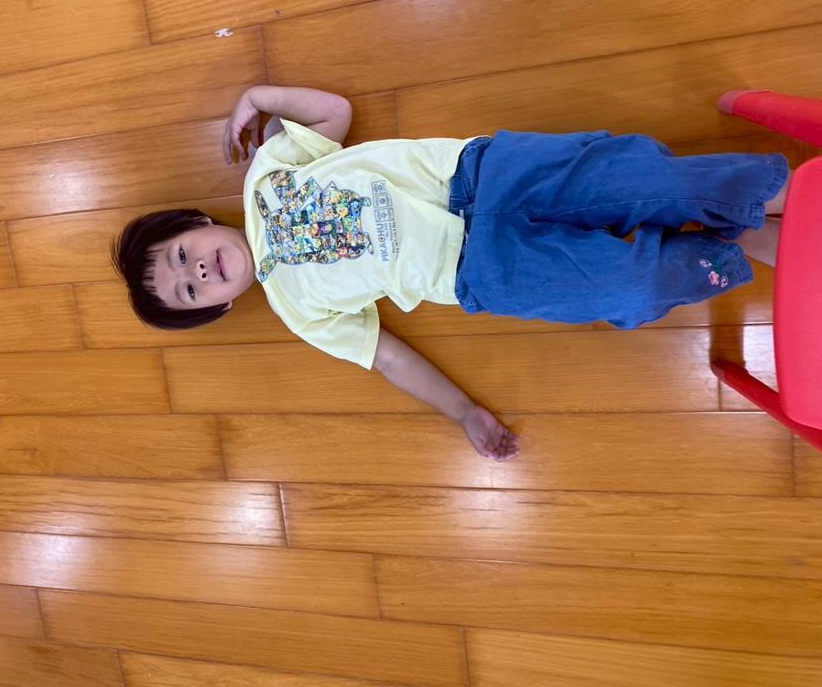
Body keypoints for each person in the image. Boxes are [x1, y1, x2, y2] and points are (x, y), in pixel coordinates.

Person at [112, 85, 788, 461]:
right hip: (479, 269)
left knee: (637, 179)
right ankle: (740, 238)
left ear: (195, 220)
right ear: (222, 305)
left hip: (480, 176)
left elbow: (334, 113)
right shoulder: (298, 311)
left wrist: (258, 95)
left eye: (181, 254)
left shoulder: (266, 173)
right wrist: (462, 411)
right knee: (627, 288)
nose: (199, 269)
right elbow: (388, 357)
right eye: (192, 290)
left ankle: (765, 197)